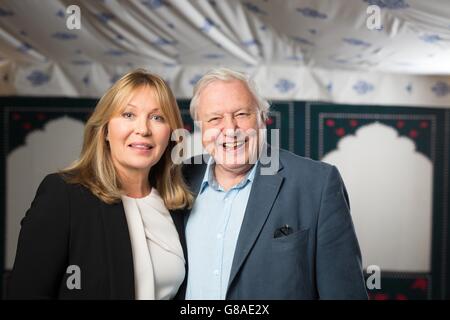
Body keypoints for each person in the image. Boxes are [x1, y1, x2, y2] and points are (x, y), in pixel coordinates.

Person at [181, 67, 368, 299]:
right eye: (215, 118)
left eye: (241, 114)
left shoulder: (317, 184)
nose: (230, 129)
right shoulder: (178, 180)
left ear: (262, 118)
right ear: (201, 128)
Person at [7, 69, 192, 299]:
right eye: (128, 115)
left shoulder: (178, 208)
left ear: (171, 134)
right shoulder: (64, 195)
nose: (143, 129)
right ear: (105, 130)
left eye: (157, 117)